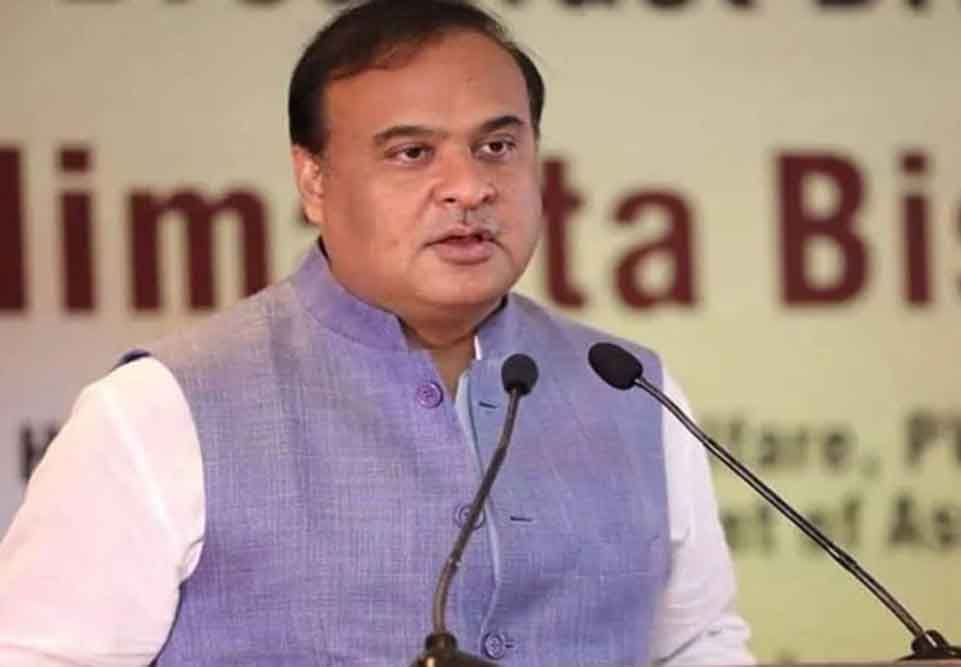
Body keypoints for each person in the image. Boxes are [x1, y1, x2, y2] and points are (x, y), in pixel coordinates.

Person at [0, 1, 752, 665]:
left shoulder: (630, 388)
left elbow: (697, 645)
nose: (469, 187)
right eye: (412, 153)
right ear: (314, 181)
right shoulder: (158, 410)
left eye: (497, 146)